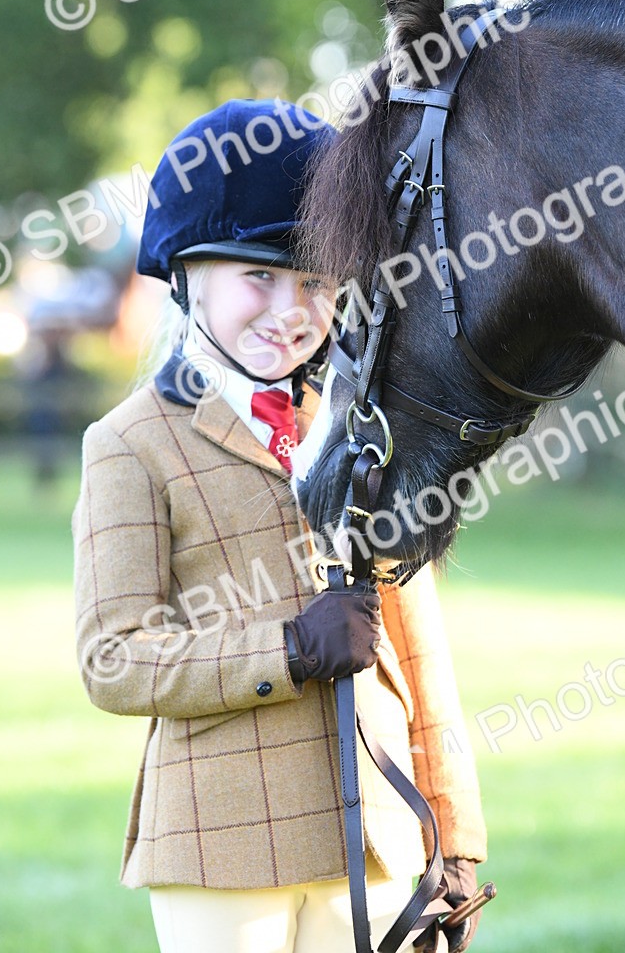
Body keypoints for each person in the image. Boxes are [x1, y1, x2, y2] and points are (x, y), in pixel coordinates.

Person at [73, 99, 488, 953]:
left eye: (315, 283)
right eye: (258, 277)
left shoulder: (365, 426)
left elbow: (418, 650)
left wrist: (456, 834)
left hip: (378, 832)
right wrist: (288, 650)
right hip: (219, 847)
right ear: (188, 277)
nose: (290, 310)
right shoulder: (128, 445)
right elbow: (113, 660)